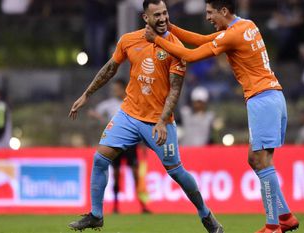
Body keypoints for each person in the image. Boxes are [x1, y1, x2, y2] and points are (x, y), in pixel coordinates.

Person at [67, 1, 223, 232]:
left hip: (158, 121)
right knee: (100, 159)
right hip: (129, 115)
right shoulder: (129, 40)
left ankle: (206, 215)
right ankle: (96, 215)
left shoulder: (175, 47)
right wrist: (86, 95)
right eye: (157, 14)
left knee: (177, 172)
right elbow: (110, 68)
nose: (162, 18)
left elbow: (175, 90)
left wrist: (162, 121)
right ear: (145, 18)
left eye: (165, 13)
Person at [144, 0, 299, 232]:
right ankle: (285, 216)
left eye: (210, 13)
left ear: (223, 11)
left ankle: (272, 225)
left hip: (262, 99)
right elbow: (202, 40)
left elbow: (190, 54)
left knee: (263, 162)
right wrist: (169, 29)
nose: (208, 18)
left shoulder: (232, 35)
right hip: (273, 98)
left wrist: (157, 39)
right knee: (254, 159)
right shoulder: (246, 26)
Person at [87, 79, 150, 214]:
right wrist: (97, 116)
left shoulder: (132, 102)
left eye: (116, 88)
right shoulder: (109, 104)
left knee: (135, 175)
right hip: (115, 144)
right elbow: (94, 112)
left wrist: (143, 143)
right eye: (114, 89)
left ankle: (143, 205)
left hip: (131, 144)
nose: (114, 91)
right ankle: (116, 206)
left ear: (123, 89)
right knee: (115, 175)